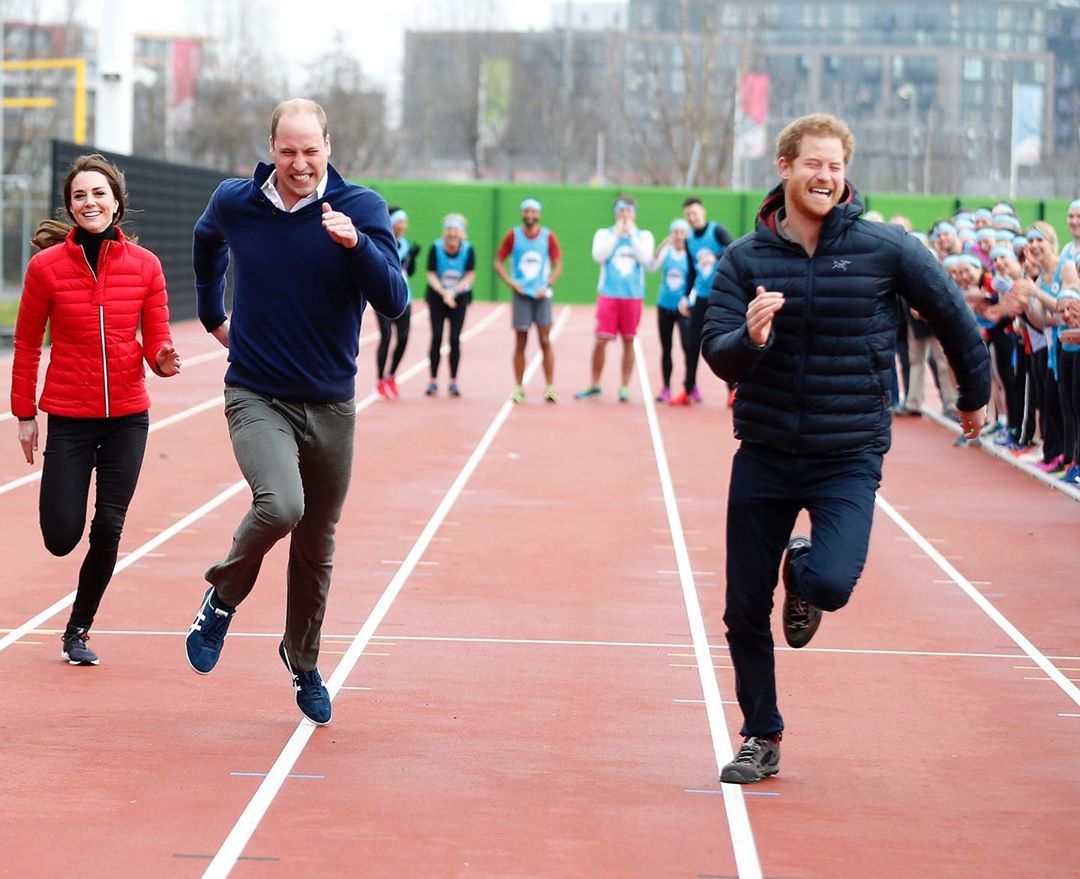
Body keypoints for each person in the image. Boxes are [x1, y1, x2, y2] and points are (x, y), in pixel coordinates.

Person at [700, 114, 990, 784]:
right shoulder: (745, 259)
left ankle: (802, 572)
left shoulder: (885, 249)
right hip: (766, 451)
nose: (825, 176)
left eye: (835, 166)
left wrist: (972, 395)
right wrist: (748, 339)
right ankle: (761, 734)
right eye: (813, 164)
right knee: (744, 606)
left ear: (845, 173)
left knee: (831, 580)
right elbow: (717, 351)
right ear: (785, 166)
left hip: (848, 452)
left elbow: (951, 311)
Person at [185, 99, 408, 725]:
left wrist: (356, 245)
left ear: (328, 147)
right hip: (257, 391)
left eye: (311, 150)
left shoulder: (360, 208)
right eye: (288, 151)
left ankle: (302, 659)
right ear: (271, 149)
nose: (300, 163)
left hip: (332, 403)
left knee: (317, 540)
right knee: (281, 504)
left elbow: (393, 300)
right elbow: (207, 241)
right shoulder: (239, 201)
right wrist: (211, 312)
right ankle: (223, 597)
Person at [10, 154, 181, 666]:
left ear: (116, 203)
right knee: (62, 537)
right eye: (80, 195)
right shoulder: (45, 268)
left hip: (128, 416)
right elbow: (24, 344)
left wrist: (164, 359)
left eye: (99, 193)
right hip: (68, 415)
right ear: (70, 205)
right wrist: (24, 414)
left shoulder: (145, 265)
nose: (90, 202)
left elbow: (157, 339)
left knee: (108, 526)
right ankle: (69, 563)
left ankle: (78, 628)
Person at [575, 194, 654, 403]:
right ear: (615, 213)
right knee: (601, 340)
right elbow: (598, 256)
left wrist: (631, 235)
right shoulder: (604, 234)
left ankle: (624, 386)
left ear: (634, 214)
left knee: (629, 340)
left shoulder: (643, 236)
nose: (624, 215)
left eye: (628, 211)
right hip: (609, 294)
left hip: (632, 296)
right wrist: (617, 234)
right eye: (621, 211)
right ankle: (594, 383)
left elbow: (647, 260)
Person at [493, 197, 563, 404]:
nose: (530, 215)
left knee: (544, 340)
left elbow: (558, 264)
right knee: (521, 341)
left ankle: (550, 386)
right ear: (522, 213)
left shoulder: (548, 237)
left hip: (541, 295)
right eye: (526, 211)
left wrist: (547, 284)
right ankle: (518, 387)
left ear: (539, 214)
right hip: (521, 294)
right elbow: (498, 261)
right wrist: (510, 282)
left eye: (534, 212)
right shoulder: (513, 236)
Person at [677, 196, 733, 405]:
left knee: (725, 344)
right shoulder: (690, 240)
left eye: (695, 213)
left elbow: (733, 248)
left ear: (703, 212)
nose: (693, 217)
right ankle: (688, 389)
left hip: (721, 295)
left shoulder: (716, 230)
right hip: (700, 297)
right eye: (688, 215)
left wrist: (715, 257)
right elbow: (691, 272)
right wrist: (685, 295)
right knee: (692, 345)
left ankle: (732, 391)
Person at [425, 213, 475, 397]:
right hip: (438, 296)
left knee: (455, 338)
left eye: (456, 230)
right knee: (437, 336)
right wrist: (444, 292)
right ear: (445, 231)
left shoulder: (468, 249)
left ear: (462, 233)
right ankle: (433, 380)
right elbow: (430, 274)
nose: (453, 233)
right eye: (449, 229)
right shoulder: (436, 247)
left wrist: (453, 292)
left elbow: (470, 274)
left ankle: (453, 381)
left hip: (459, 297)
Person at [648, 218, 695, 403]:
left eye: (683, 232)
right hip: (664, 305)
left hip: (683, 308)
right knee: (666, 348)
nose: (679, 236)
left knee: (688, 346)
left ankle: (691, 385)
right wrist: (662, 244)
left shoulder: (690, 254)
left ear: (687, 235)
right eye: (676, 232)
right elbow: (652, 266)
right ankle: (666, 387)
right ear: (672, 234)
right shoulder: (666, 252)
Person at [376, 206, 419, 399]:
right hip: (384, 294)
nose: (403, 226)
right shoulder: (383, 242)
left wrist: (413, 259)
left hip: (405, 296)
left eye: (405, 222)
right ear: (392, 223)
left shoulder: (406, 244)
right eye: (400, 222)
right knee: (386, 336)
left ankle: (391, 375)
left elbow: (408, 271)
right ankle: (379, 379)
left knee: (403, 338)